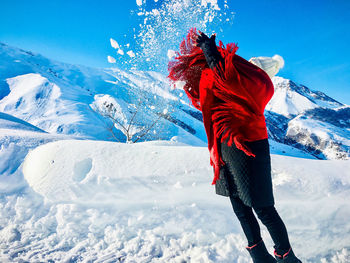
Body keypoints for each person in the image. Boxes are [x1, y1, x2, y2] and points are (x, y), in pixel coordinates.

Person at [168, 29, 302, 263]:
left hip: (249, 148)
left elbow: (229, 78)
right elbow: (214, 90)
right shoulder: (236, 83)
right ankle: (259, 255)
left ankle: (286, 257)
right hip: (225, 147)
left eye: (248, 66)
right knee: (239, 206)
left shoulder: (259, 84)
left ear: (258, 71)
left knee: (263, 208)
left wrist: (211, 55)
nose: (241, 66)